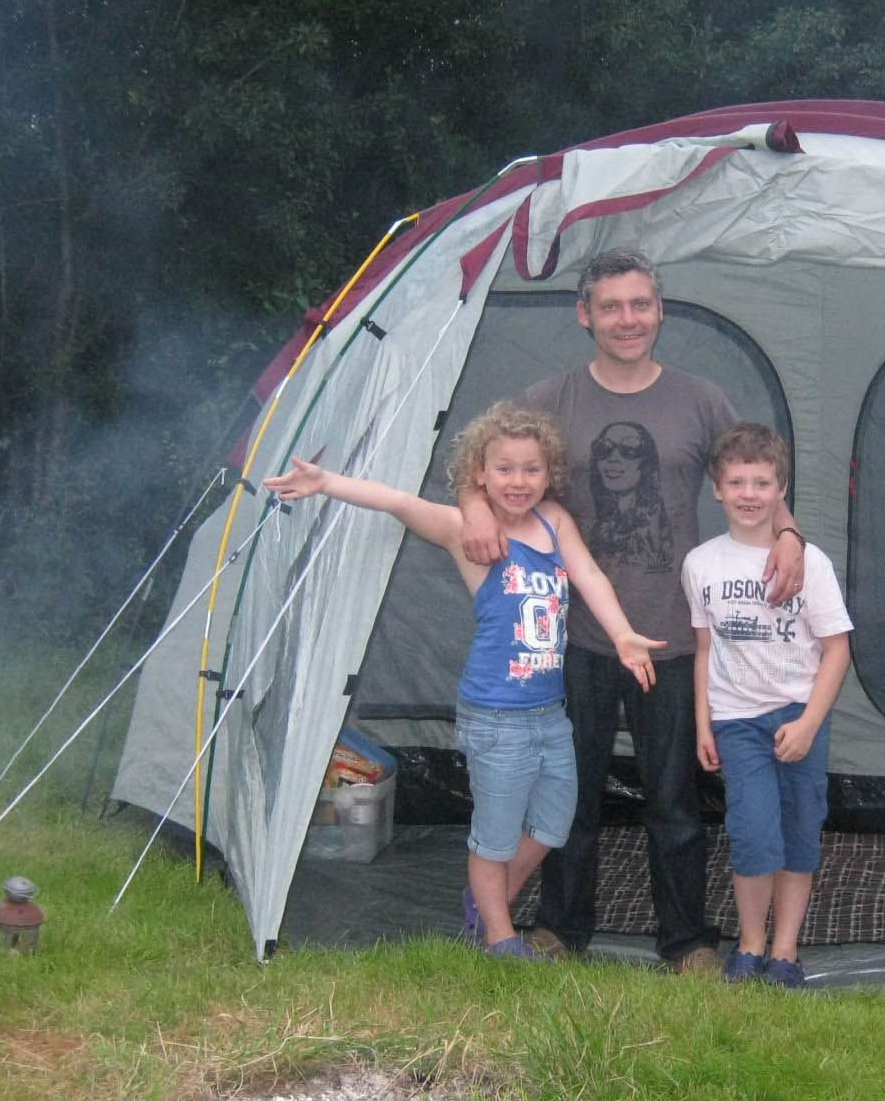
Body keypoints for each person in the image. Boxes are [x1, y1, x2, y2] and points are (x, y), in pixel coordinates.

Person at [459, 247, 807, 973]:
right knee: (571, 795)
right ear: (584, 315)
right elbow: (479, 463)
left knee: (675, 803)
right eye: (611, 306)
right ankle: (561, 927)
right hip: (576, 640)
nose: (628, 320)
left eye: (641, 304)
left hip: (676, 639)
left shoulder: (701, 399)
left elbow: (757, 479)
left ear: (660, 311)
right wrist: (472, 508)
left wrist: (791, 534)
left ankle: (686, 941)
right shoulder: (551, 398)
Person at [266, 403, 662, 959]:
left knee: (551, 827)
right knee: (495, 836)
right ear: (479, 473)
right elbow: (401, 502)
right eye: (504, 469)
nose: (518, 481)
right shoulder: (465, 530)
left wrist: (622, 635)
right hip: (496, 714)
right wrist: (326, 481)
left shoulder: (555, 522)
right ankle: (498, 940)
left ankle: (487, 902)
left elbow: (589, 574)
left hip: (550, 712)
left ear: (548, 474)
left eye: (531, 469)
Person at [685, 424, 852, 988]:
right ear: (717, 489)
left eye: (762, 482)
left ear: (781, 488)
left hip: (799, 717)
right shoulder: (702, 564)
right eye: (737, 482)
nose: (749, 493)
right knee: (754, 834)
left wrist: (808, 722)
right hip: (736, 722)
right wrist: (704, 723)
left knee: (800, 833)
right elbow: (704, 647)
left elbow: (836, 649)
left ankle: (785, 950)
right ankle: (750, 943)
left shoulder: (813, 564)